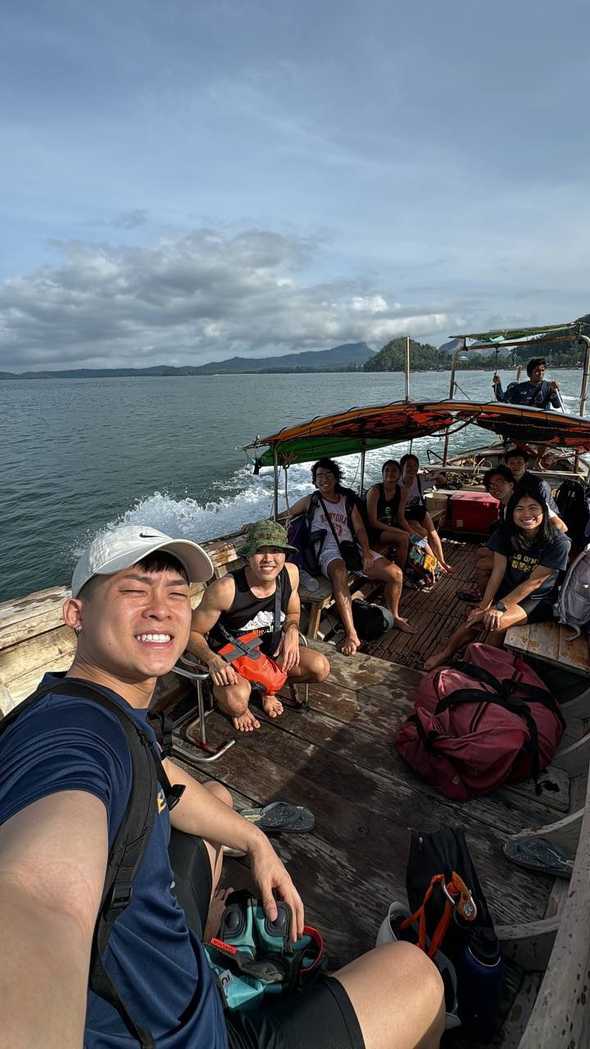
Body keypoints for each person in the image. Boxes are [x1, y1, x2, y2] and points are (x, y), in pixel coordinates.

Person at [0, 523, 445, 1049]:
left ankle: (207, 926)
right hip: (190, 1035)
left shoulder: (85, 708)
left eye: (175, 592)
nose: (162, 608)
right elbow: (37, 896)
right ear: (76, 615)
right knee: (419, 975)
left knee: (217, 800)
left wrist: (255, 841)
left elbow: (161, 773)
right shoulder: (74, 739)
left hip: (162, 977)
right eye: (134, 590)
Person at [189, 519, 330, 732]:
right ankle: (236, 701)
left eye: (276, 550)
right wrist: (213, 660)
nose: (268, 559)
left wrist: (292, 630)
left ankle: (268, 689)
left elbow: (293, 612)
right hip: (233, 661)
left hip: (271, 655)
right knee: (237, 703)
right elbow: (191, 632)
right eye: (260, 551)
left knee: (320, 668)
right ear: (247, 556)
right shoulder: (226, 589)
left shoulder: (290, 574)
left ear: (285, 554)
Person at [424, 483, 571, 670]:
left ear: (544, 511)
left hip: (538, 600)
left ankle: (479, 666)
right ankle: (445, 654)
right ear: (512, 513)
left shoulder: (559, 542)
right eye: (520, 509)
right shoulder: (505, 533)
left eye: (533, 508)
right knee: (475, 617)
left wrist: (499, 607)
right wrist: (484, 605)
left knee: (496, 622)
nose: (527, 514)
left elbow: (535, 582)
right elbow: (498, 571)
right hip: (509, 590)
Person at [289, 458, 415, 655]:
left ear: (336, 478)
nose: (323, 479)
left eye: (328, 475)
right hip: (326, 551)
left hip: (351, 549)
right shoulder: (311, 501)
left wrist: (365, 551)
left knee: (396, 574)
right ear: (314, 481)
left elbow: (359, 529)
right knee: (339, 571)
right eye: (319, 476)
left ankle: (396, 615)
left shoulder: (347, 502)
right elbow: (286, 515)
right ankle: (351, 633)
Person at [397, 453, 453, 574]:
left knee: (433, 534)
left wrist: (437, 475)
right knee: (422, 533)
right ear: (402, 467)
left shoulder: (420, 479)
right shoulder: (397, 484)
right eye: (409, 466)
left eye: (415, 466)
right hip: (406, 513)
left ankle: (442, 562)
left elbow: (442, 481)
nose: (412, 469)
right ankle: (436, 564)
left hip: (419, 509)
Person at [504, 447, 566, 527]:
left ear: (526, 464)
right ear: (507, 465)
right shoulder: (507, 481)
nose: (516, 466)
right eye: (512, 463)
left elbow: (545, 511)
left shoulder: (539, 485)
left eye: (519, 462)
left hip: (544, 519)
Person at [365, 459, 410, 568]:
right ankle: (401, 571)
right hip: (374, 530)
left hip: (390, 526)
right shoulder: (375, 491)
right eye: (387, 470)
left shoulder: (402, 491)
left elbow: (401, 517)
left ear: (399, 474)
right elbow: (373, 522)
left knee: (416, 535)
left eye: (394, 470)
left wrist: (411, 532)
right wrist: (400, 531)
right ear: (382, 473)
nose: (390, 473)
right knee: (403, 538)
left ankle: (409, 567)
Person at [492, 357, 561, 409]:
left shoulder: (548, 387)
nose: (540, 373)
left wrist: (554, 391)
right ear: (529, 373)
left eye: (542, 370)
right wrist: (497, 384)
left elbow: (557, 405)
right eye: (537, 371)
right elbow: (502, 399)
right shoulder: (519, 388)